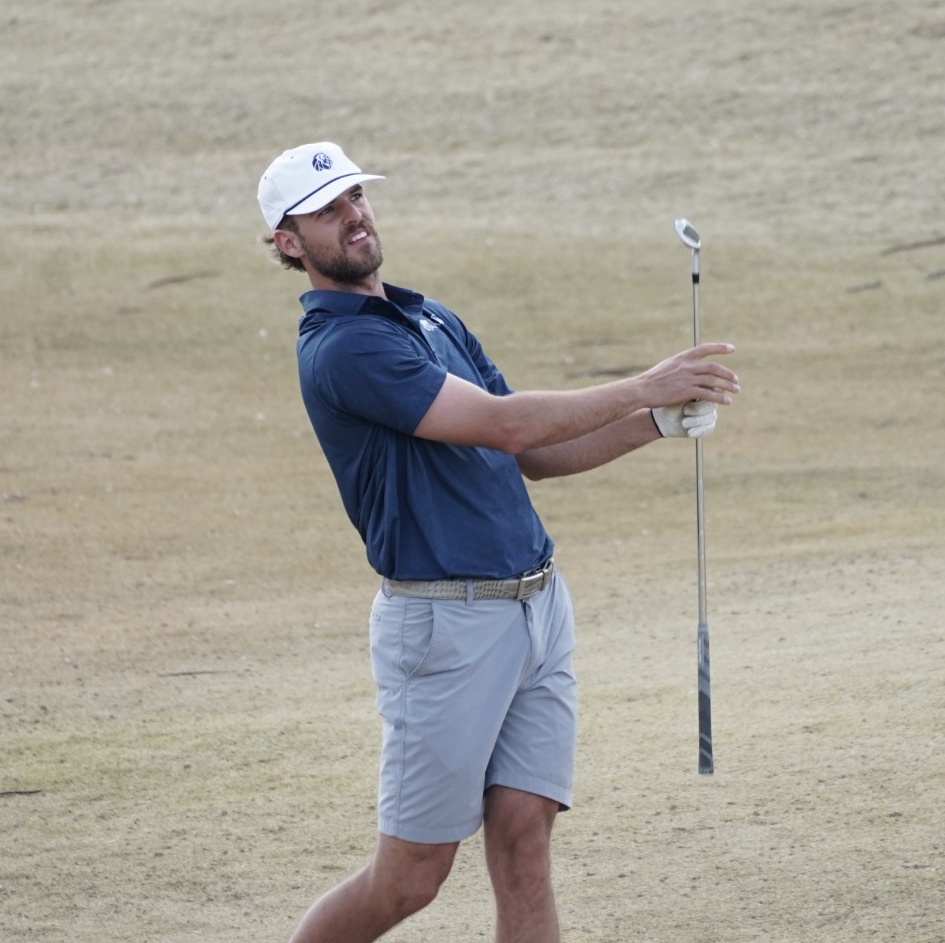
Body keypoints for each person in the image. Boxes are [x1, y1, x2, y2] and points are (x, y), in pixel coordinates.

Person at [257, 142, 739, 943]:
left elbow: (527, 452)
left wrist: (652, 424)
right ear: (288, 242)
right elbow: (507, 422)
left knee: (524, 839)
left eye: (355, 198)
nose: (354, 216)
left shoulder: (428, 316)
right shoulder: (345, 349)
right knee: (410, 879)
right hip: (446, 628)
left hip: (537, 609)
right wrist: (644, 385)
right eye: (327, 210)